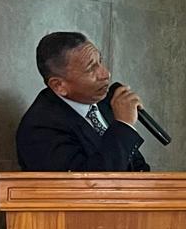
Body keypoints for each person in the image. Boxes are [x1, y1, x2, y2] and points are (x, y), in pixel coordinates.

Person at [16, 32, 150, 172]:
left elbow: (137, 167)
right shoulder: (39, 128)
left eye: (100, 61)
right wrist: (123, 126)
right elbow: (86, 181)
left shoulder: (106, 103)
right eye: (91, 68)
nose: (106, 74)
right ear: (59, 85)